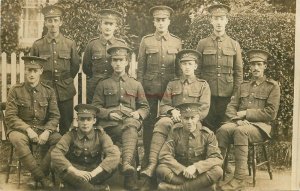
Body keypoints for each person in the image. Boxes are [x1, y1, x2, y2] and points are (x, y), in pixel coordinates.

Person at [140, 49, 211, 190]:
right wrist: (172, 111)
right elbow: (164, 105)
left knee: (179, 126)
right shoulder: (173, 84)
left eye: (190, 64)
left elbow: (204, 109)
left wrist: (188, 119)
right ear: (180, 66)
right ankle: (152, 166)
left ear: (195, 66)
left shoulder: (203, 85)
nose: (187, 67)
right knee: (162, 123)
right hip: (173, 119)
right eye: (184, 64)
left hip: (192, 121)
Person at [216, 49, 281, 190]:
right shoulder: (243, 85)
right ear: (250, 67)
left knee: (241, 132)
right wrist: (237, 120)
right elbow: (231, 107)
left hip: (261, 127)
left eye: (259, 64)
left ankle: (239, 179)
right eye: (253, 65)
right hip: (240, 123)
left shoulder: (272, 86)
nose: (255, 68)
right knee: (223, 130)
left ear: (265, 66)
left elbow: (271, 113)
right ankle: (215, 173)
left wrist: (246, 113)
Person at [92, 45, 150, 190]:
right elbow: (95, 108)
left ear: (127, 62)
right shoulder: (103, 83)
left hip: (129, 122)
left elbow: (145, 107)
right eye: (115, 60)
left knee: (130, 127)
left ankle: (126, 167)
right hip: (110, 125)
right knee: (130, 131)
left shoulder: (135, 84)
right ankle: (128, 173)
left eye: (121, 60)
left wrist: (138, 114)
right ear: (111, 62)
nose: (118, 63)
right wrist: (109, 114)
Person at [5, 56, 61, 188]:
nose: (31, 74)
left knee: (59, 139)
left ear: (41, 71)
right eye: (29, 70)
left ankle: (35, 176)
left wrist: (47, 131)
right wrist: (28, 129)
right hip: (20, 130)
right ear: (25, 70)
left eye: (35, 71)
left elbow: (55, 116)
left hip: (42, 129)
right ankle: (43, 179)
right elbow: (10, 116)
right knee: (19, 140)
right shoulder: (16, 90)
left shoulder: (49, 91)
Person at [137, 5, 182, 169]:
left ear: (169, 21)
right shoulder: (146, 40)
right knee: (149, 125)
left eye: (164, 20)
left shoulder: (176, 42)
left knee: (168, 123)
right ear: (154, 22)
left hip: (169, 91)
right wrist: (140, 92)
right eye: (158, 20)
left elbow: (179, 71)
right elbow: (140, 69)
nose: (161, 23)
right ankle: (148, 159)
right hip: (149, 90)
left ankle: (165, 159)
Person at [30, 4, 80, 135]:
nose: (53, 24)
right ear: (45, 22)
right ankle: (46, 151)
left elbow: (75, 66)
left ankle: (64, 152)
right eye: (50, 20)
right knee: (46, 124)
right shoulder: (38, 45)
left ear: (61, 22)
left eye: (56, 20)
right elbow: (33, 68)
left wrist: (65, 80)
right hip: (45, 90)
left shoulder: (70, 44)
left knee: (66, 123)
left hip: (65, 91)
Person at [196, 3, 243, 132]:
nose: (219, 22)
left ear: (226, 21)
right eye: (216, 18)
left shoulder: (234, 44)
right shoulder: (203, 43)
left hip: (227, 94)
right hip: (207, 94)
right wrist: (199, 92)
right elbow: (197, 71)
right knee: (207, 128)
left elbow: (238, 73)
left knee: (224, 129)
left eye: (222, 18)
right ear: (211, 21)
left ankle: (221, 153)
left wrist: (235, 95)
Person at [51, 104, 120, 191]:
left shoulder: (100, 134)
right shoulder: (70, 135)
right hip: (75, 172)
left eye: (88, 119)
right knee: (55, 165)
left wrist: (93, 173)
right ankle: (96, 188)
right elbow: (56, 153)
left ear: (94, 120)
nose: (85, 123)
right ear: (77, 120)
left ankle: (70, 187)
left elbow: (114, 154)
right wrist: (76, 171)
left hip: (94, 171)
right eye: (82, 119)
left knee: (113, 165)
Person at [156, 103, 223, 191]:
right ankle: (202, 187)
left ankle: (178, 189)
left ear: (198, 117)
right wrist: (182, 169)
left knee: (217, 171)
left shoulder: (207, 134)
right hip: (180, 173)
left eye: (193, 118)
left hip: (199, 173)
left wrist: (196, 167)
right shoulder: (175, 132)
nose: (190, 122)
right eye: (186, 118)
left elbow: (216, 157)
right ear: (180, 119)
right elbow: (165, 156)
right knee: (161, 169)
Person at [83, 9, 126, 104]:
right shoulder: (92, 44)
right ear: (100, 25)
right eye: (105, 23)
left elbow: (125, 66)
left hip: (114, 85)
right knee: (94, 113)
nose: (108, 27)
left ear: (116, 27)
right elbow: (86, 68)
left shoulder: (121, 44)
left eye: (111, 24)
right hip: (95, 86)